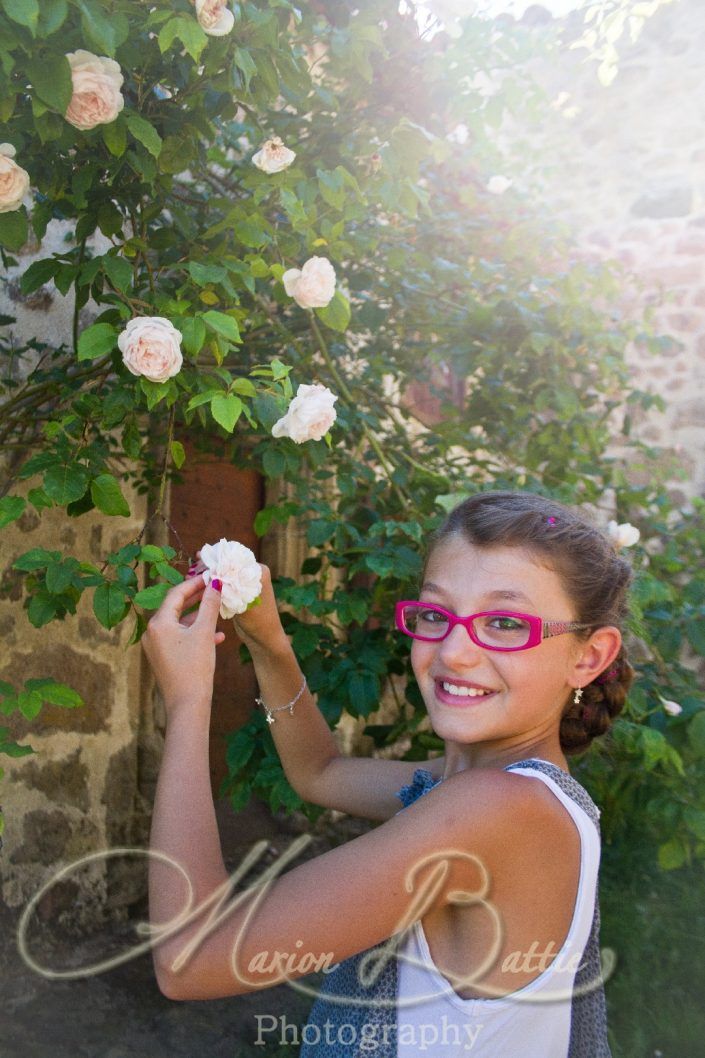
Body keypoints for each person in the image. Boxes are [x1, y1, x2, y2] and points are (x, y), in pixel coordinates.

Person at [142, 489, 634, 1057]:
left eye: (503, 622)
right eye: (434, 614)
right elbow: (319, 773)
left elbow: (191, 958)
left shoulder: (495, 808)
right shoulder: (511, 790)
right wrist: (268, 639)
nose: (454, 652)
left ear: (589, 656)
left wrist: (186, 701)